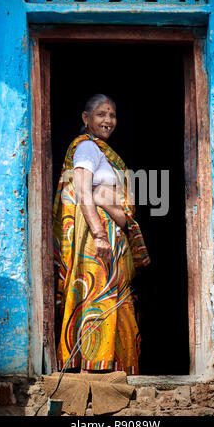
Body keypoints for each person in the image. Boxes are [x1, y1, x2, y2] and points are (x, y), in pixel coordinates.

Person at [53, 94, 150, 375]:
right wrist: (98, 233)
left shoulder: (102, 152)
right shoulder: (86, 149)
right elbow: (82, 190)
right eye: (101, 115)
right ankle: (91, 370)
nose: (108, 120)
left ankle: (113, 367)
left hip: (111, 236)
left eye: (112, 115)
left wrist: (115, 211)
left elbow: (99, 192)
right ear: (86, 119)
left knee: (114, 300)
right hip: (97, 239)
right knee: (97, 298)